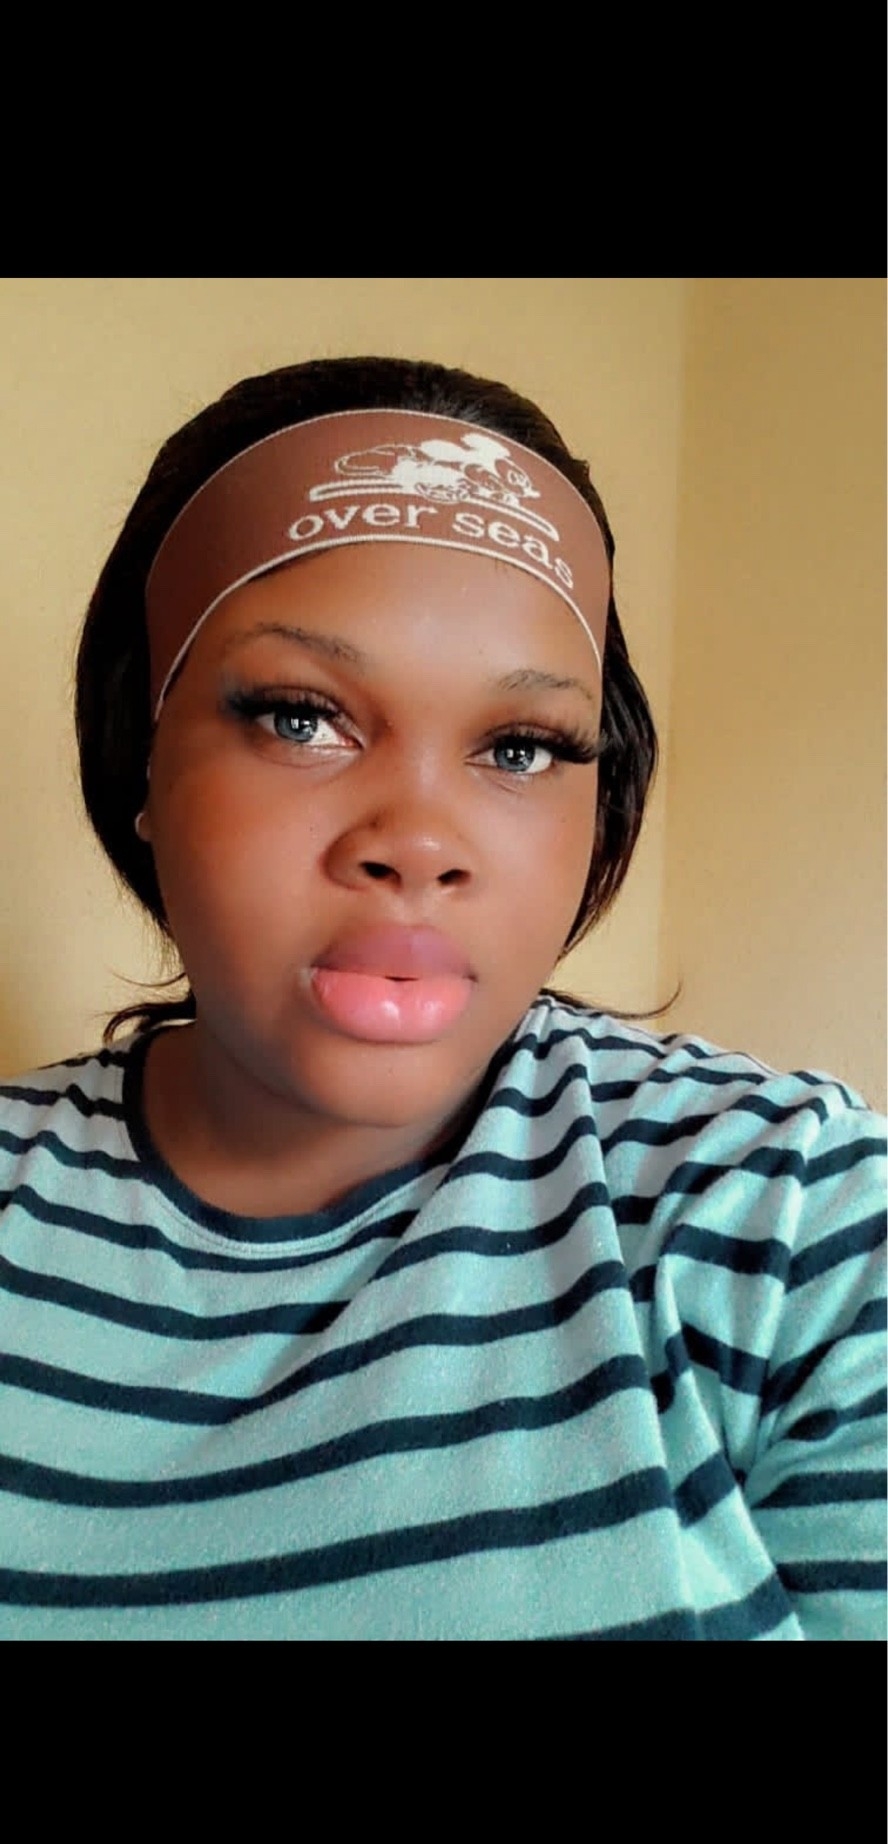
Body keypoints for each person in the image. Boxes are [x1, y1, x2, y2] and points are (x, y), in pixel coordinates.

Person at [0, 355, 884, 1641]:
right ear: (141, 749)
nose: (419, 841)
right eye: (301, 718)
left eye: (520, 747)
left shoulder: (799, 1219)